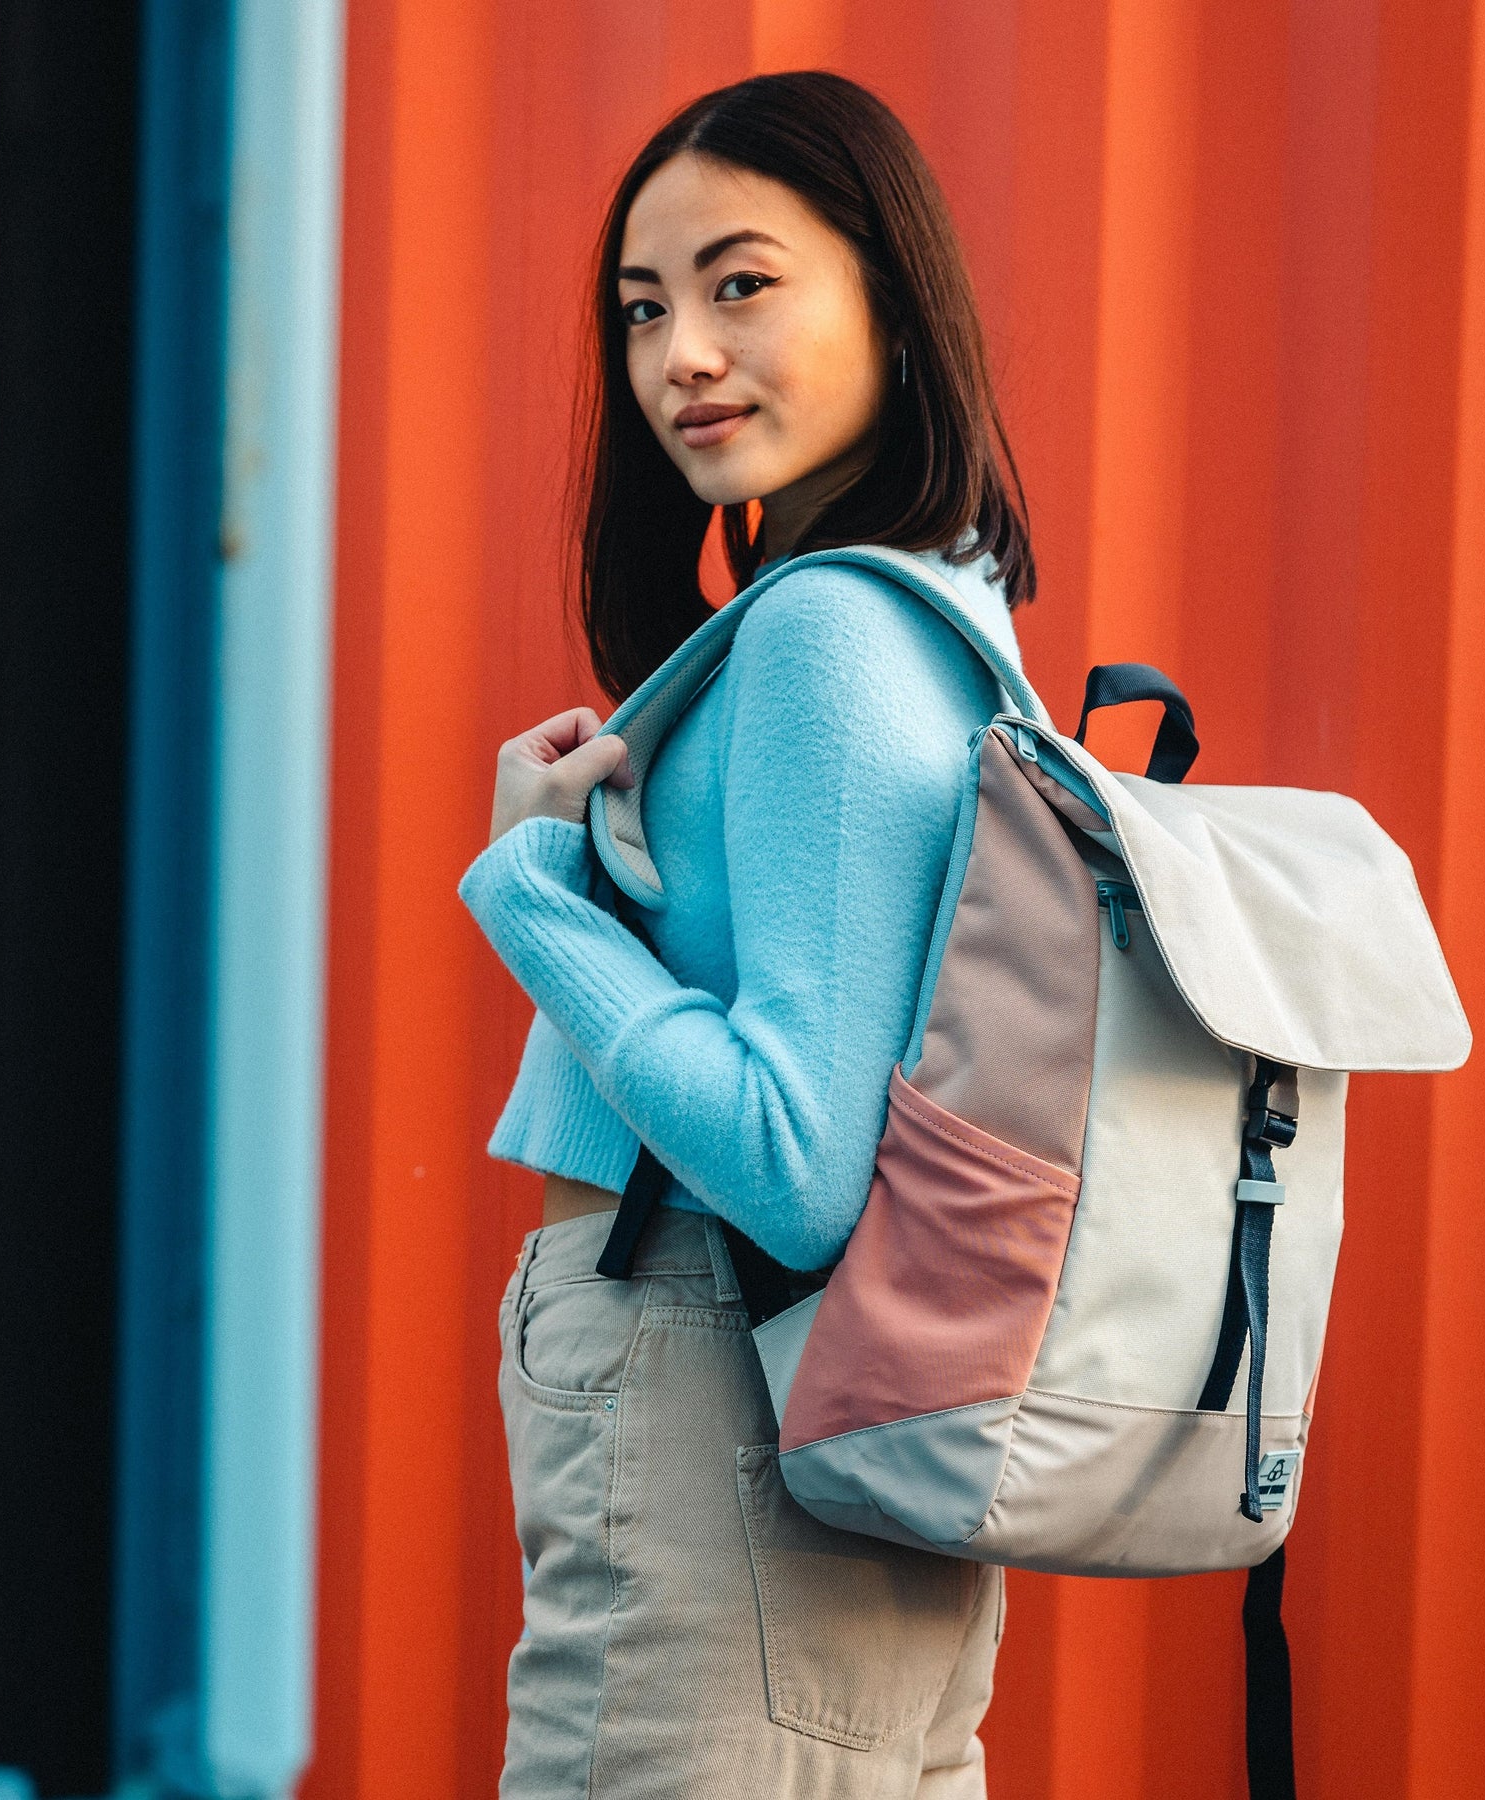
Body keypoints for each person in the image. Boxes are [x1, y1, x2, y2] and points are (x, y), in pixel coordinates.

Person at [458, 71, 1036, 1799]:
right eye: (645, 310)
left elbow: (795, 1163)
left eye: (742, 284)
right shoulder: (947, 625)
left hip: (716, 1376)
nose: (681, 356)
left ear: (893, 301)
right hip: (830, 1420)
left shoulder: (824, 641)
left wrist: (534, 900)